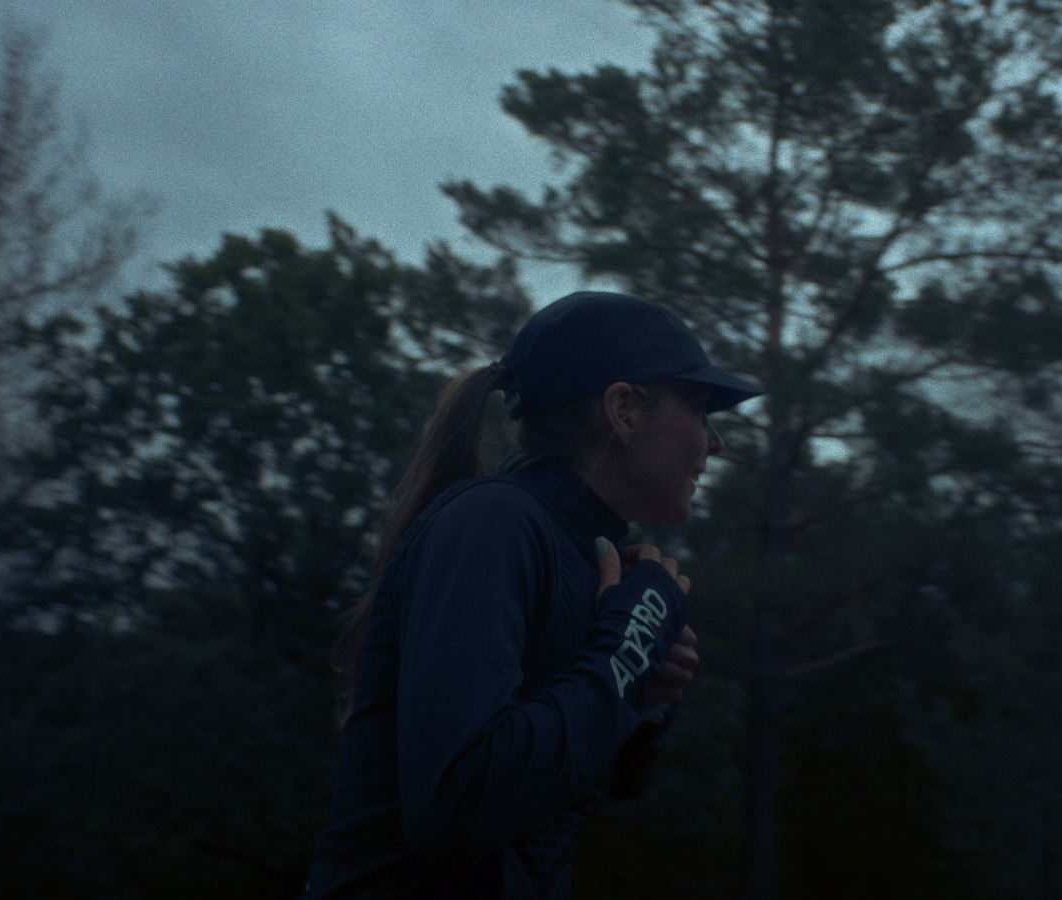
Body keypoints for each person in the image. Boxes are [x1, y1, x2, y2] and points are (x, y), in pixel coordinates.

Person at [302, 291, 763, 899]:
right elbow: (460, 809)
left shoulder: (581, 558)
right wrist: (630, 642)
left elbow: (587, 786)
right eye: (702, 410)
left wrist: (644, 695)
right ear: (624, 410)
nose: (715, 442)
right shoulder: (493, 524)